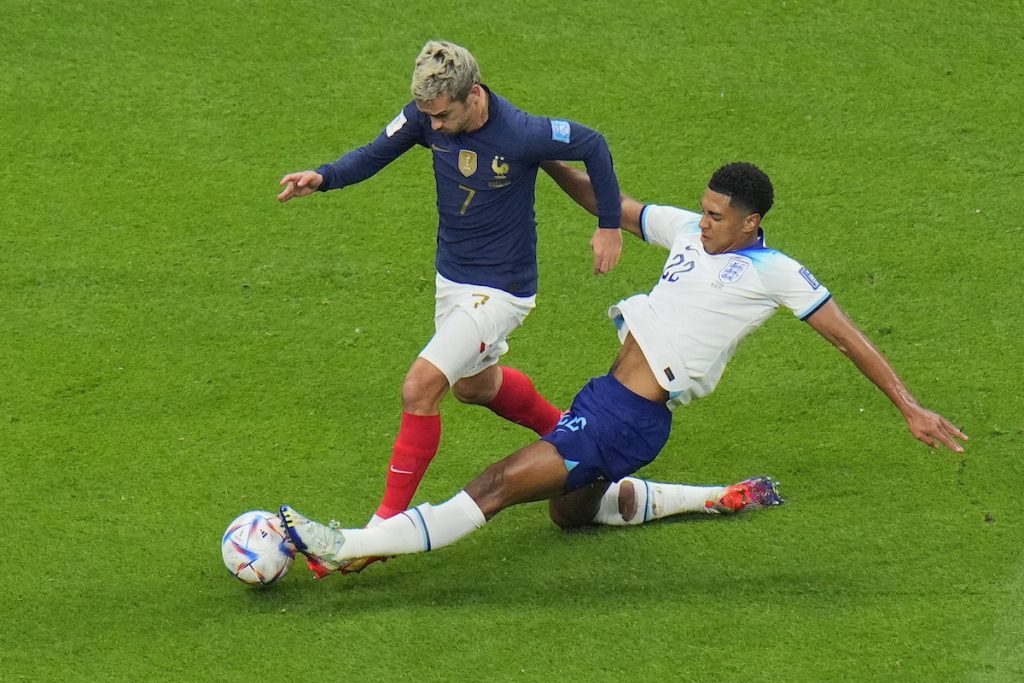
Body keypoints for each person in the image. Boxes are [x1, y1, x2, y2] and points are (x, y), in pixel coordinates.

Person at [279, 161, 967, 576]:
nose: (703, 222)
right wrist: (544, 157)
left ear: (751, 222)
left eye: (717, 216)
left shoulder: (774, 272)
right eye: (703, 209)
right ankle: (715, 497)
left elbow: (847, 338)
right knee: (569, 516)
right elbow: (610, 205)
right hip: (606, 401)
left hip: (629, 418)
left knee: (493, 485)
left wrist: (909, 406)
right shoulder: (688, 234)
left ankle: (351, 543)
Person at [277, 40, 624, 571]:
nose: (433, 126)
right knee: (474, 387)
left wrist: (608, 227)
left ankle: (380, 532)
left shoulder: (522, 132)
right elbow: (375, 152)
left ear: (474, 95)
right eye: (428, 117)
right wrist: (324, 177)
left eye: (442, 116)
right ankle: (575, 438)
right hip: (453, 283)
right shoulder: (427, 116)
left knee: (420, 387)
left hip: (501, 290)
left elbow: (592, 143)